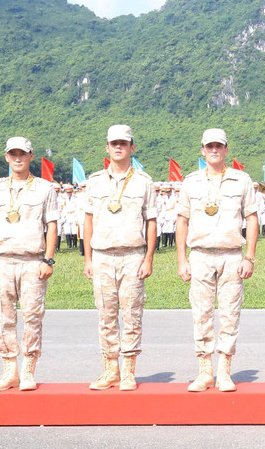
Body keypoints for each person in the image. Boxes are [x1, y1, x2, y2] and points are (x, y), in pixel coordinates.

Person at [176, 129, 259, 392]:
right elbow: (182, 221)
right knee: (201, 314)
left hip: (231, 255)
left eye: (218, 146)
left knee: (230, 314)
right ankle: (204, 372)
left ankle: (224, 370)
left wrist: (250, 257)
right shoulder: (191, 182)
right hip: (200, 255)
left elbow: (252, 219)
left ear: (226, 150)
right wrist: (181, 259)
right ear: (202, 150)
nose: (214, 150)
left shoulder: (241, 180)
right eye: (209, 146)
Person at [0, 137, 60, 391]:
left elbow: (52, 225)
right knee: (3, 317)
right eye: (13, 153)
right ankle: (8, 370)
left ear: (31, 156)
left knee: (33, 316)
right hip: (2, 260)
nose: (17, 158)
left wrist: (48, 259)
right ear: (6, 157)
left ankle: (28, 369)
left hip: (32, 261)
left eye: (22, 154)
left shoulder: (45, 189)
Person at [82, 125, 158, 391]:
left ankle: (128, 370)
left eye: (123, 144)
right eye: (114, 143)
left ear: (132, 148)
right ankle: (109, 369)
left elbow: (151, 222)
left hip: (132, 255)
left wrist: (148, 258)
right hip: (102, 255)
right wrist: (87, 258)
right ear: (107, 147)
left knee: (132, 313)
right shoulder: (94, 181)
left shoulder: (143, 182)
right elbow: (88, 221)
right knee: (105, 314)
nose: (118, 147)